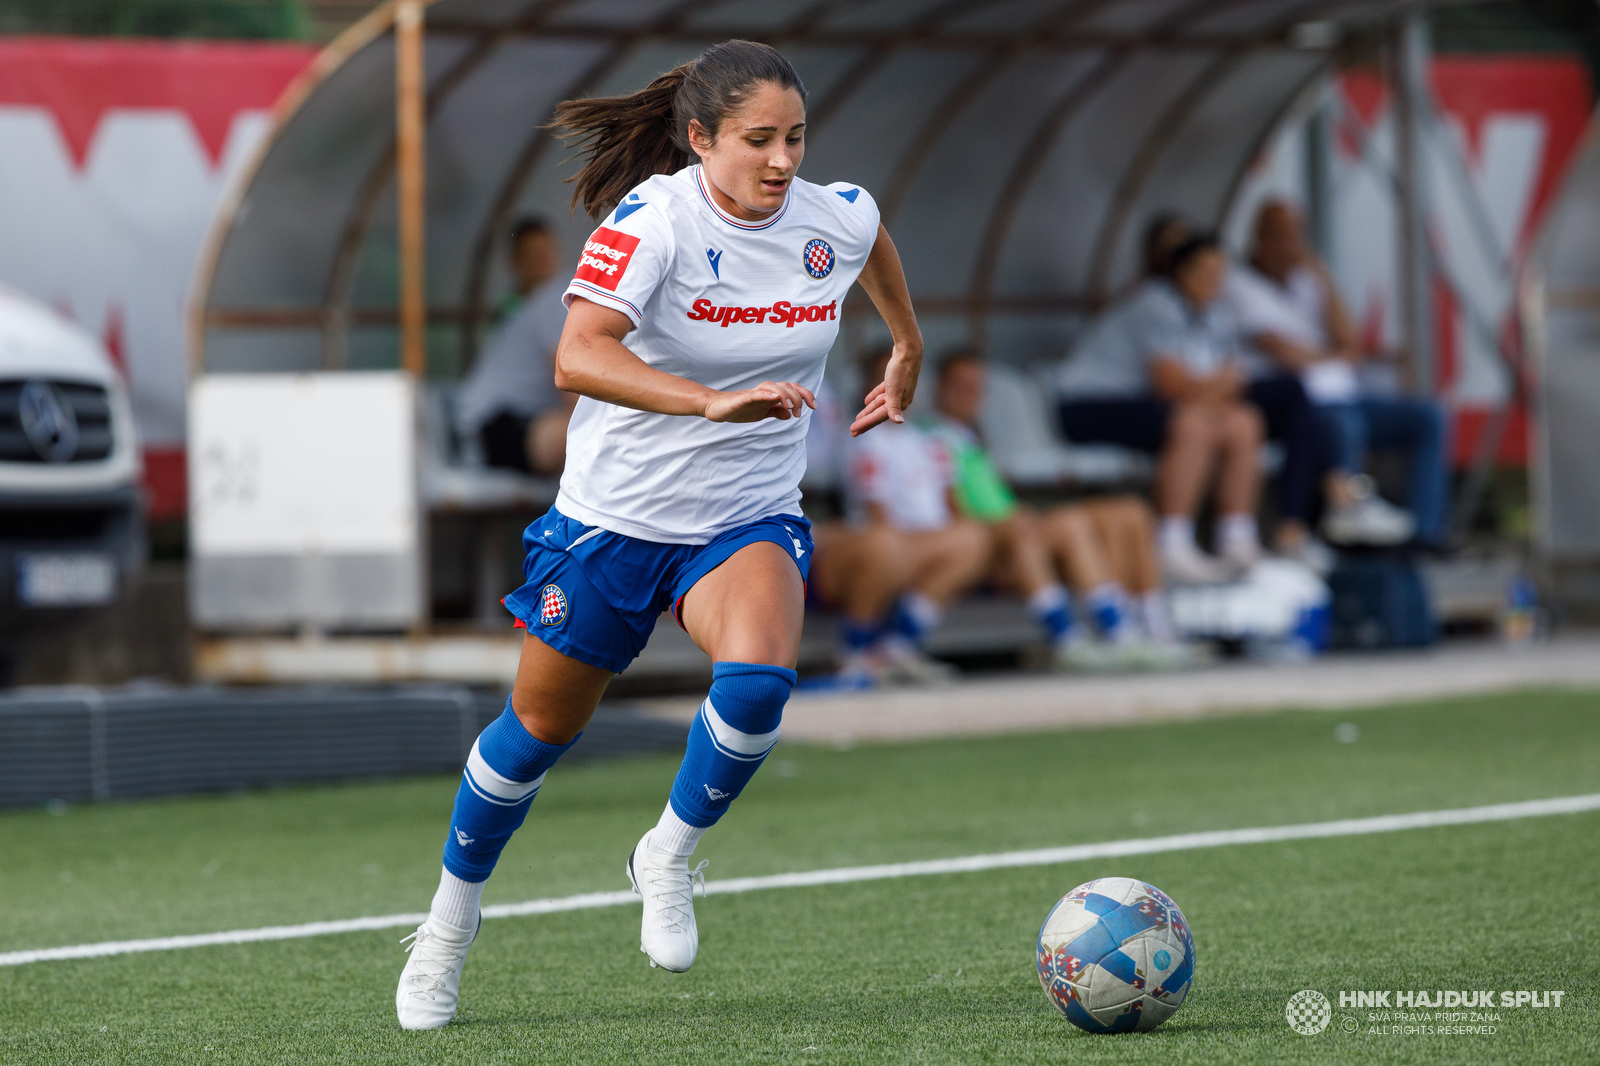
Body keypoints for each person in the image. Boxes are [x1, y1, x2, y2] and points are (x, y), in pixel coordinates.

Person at [395, 40, 925, 1028]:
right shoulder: (653, 221)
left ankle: (668, 850)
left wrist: (905, 342)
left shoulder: (831, 215)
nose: (781, 161)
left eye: (795, 138)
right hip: (613, 521)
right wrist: (704, 402)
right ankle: (448, 922)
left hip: (745, 516)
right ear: (698, 140)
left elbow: (870, 240)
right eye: (757, 140)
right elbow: (575, 355)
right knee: (534, 737)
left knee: (760, 682)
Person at [922, 349, 1193, 669]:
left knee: (1130, 512)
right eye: (960, 385)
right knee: (1070, 523)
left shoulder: (969, 436)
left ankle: (1153, 626)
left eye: (976, 386)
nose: (969, 395)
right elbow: (950, 512)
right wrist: (1008, 523)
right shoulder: (930, 437)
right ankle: (1102, 634)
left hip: (1010, 525)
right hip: (992, 541)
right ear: (939, 386)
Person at [1230, 199, 1448, 548]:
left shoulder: (1308, 278)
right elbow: (1287, 354)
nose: (1291, 244)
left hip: (1341, 394)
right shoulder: (1239, 285)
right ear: (1261, 237)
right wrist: (1338, 356)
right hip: (1296, 403)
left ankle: (1423, 533)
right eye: (1282, 235)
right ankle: (1346, 508)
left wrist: (1323, 277)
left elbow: (1351, 340)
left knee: (1427, 417)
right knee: (1342, 424)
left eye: (1297, 235)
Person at [1055, 234, 1270, 583]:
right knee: (1192, 423)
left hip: (1155, 405)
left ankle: (1236, 536)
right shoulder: (1154, 304)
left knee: (1244, 421)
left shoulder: (1218, 313)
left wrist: (1211, 388)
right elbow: (1171, 385)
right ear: (1181, 274)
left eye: (1219, 274)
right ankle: (1170, 541)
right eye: (1203, 273)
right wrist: (1214, 387)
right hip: (1089, 404)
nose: (1212, 283)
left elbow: (1231, 382)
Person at [829, 348, 993, 684]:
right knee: (886, 544)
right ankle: (856, 654)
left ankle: (897, 647)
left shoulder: (927, 440)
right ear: (867, 385)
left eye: (903, 376)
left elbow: (950, 508)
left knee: (973, 537)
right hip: (876, 547)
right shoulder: (862, 436)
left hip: (923, 545)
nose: (895, 385)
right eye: (885, 376)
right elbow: (876, 515)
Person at [454, 217, 578, 475]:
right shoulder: (553, 300)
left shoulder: (534, 305)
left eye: (546, 254)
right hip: (490, 428)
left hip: (504, 424)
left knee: (596, 432)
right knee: (593, 431)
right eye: (533, 256)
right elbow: (571, 380)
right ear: (514, 264)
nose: (542, 264)